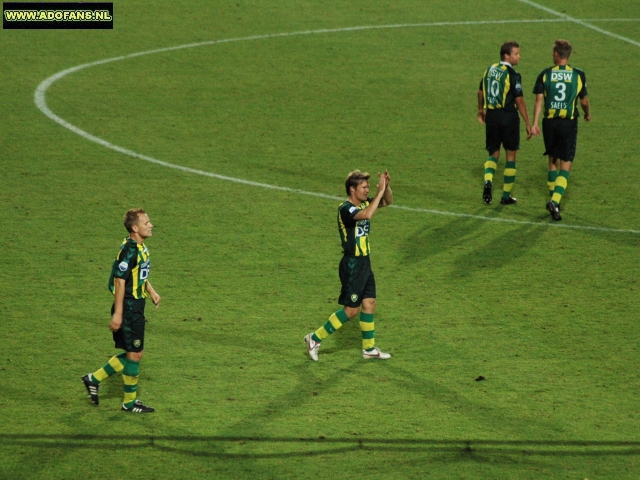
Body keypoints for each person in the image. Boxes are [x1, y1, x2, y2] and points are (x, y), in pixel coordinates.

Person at [304, 169, 393, 361]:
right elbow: (367, 215)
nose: (367, 190)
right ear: (352, 189)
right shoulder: (346, 209)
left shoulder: (363, 203)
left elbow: (387, 201)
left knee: (369, 303)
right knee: (351, 310)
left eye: (368, 187)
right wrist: (378, 193)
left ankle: (369, 348)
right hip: (352, 264)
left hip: (365, 262)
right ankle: (315, 338)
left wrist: (385, 188)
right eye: (364, 187)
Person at [82, 209, 161, 413]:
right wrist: (118, 313)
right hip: (128, 307)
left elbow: (137, 273)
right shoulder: (130, 250)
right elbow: (119, 280)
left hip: (136, 305)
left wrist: (150, 290)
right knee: (134, 354)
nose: (151, 225)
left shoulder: (139, 247)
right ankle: (129, 403)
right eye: (147, 222)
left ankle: (94, 379)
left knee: (135, 353)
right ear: (135, 228)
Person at [532, 39, 591, 221]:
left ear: (556, 55)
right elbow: (583, 101)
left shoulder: (545, 74)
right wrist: (587, 113)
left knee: (552, 161)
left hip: (549, 123)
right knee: (566, 163)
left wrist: (534, 124)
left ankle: (553, 202)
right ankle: (555, 201)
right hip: (568, 123)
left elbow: (539, 101)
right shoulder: (579, 75)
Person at [477, 41, 537, 205]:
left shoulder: (489, 70)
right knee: (511, 157)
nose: (519, 57)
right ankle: (505, 196)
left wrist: (481, 110)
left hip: (492, 117)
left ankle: (488, 180)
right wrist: (527, 122)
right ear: (506, 56)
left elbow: (480, 91)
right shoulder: (513, 74)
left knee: (493, 153)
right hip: (509, 117)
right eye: (516, 54)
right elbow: (519, 100)